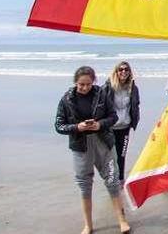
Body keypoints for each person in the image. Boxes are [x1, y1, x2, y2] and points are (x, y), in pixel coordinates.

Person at [55, 66, 130, 234]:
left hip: (103, 142)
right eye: (81, 84)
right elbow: (59, 125)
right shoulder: (66, 99)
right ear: (75, 82)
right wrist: (77, 127)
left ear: (94, 82)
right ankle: (88, 225)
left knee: (112, 180)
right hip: (80, 146)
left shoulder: (101, 94)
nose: (85, 87)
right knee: (84, 184)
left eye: (88, 84)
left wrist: (99, 124)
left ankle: (122, 220)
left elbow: (113, 116)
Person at [102, 60, 140, 184]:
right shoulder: (108, 87)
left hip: (125, 127)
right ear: (116, 72)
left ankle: (120, 180)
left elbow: (135, 105)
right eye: (121, 69)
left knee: (122, 155)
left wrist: (134, 120)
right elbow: (101, 106)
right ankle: (111, 179)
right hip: (111, 127)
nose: (124, 72)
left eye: (126, 69)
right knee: (112, 156)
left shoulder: (133, 88)